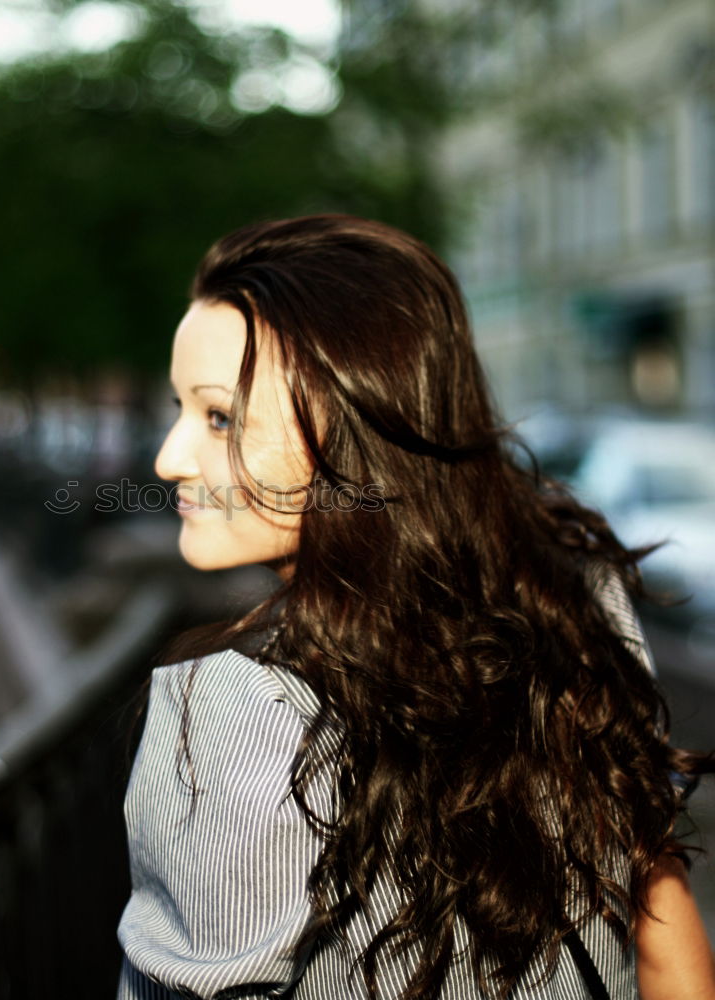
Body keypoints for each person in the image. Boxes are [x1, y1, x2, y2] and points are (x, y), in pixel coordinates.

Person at [115, 214, 715, 999]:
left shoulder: (238, 707)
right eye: (179, 408)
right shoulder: (573, 595)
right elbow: (663, 921)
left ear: (352, 430)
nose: (169, 457)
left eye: (219, 416)